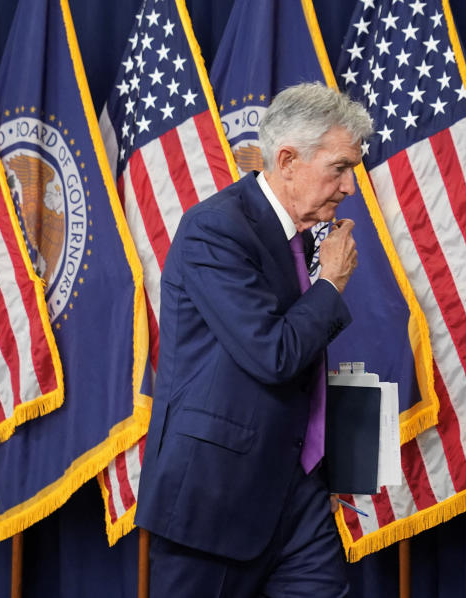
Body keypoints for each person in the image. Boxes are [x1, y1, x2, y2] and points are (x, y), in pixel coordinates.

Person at [135, 82, 373, 596]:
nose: (350, 187)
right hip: (215, 496)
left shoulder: (297, 232)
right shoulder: (215, 229)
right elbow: (274, 353)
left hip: (299, 491)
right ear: (287, 160)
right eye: (340, 168)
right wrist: (330, 283)